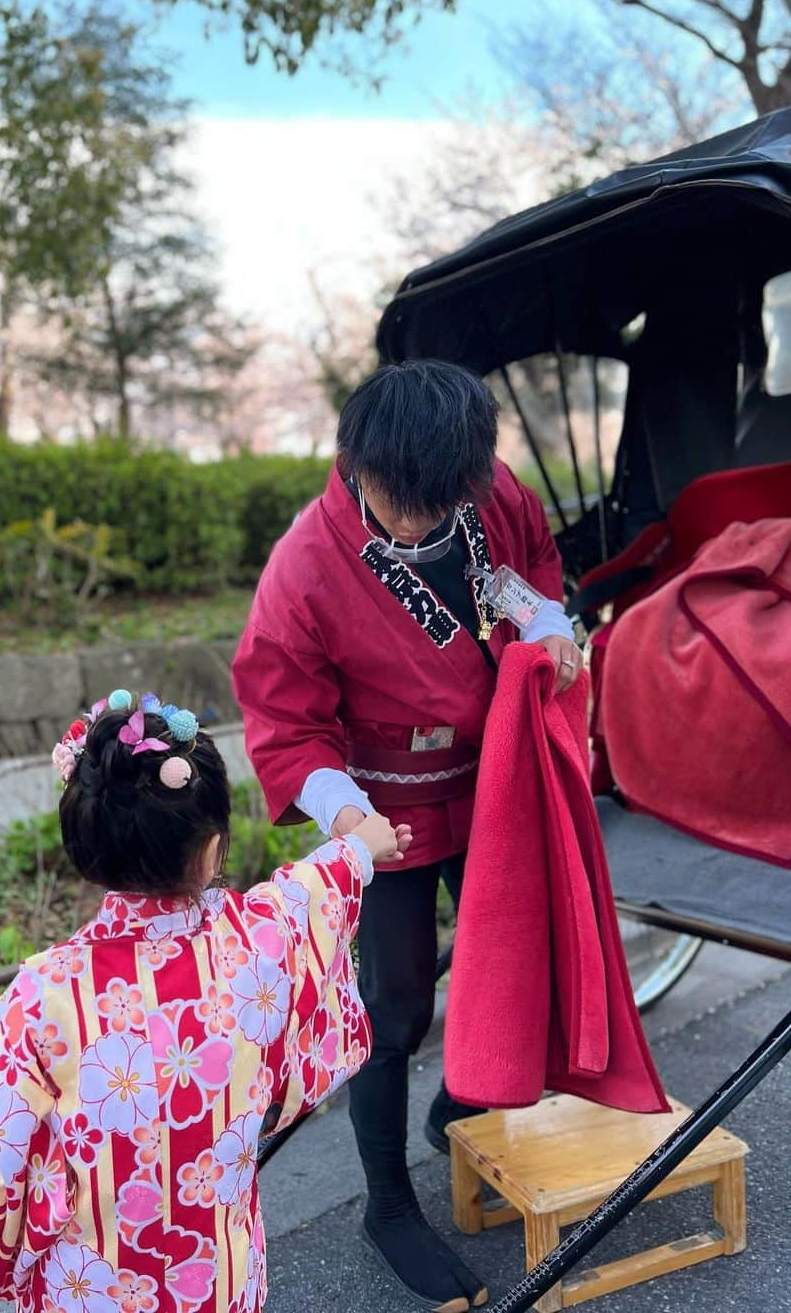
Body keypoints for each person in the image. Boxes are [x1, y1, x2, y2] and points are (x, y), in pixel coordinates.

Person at [232, 359, 583, 1309]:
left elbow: (529, 570)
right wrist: (350, 823)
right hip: (379, 803)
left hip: (492, 779)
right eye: (401, 501)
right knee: (391, 1010)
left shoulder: (484, 487)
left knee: (504, 958)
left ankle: (458, 1103)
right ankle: (386, 1204)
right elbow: (284, 720)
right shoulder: (304, 568)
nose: (423, 522)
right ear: (353, 461)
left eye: (442, 500)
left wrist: (550, 627)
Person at [0, 689, 411, 1313]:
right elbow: (314, 890)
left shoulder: (46, 997)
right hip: (220, 1279)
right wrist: (363, 846)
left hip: (93, 1288)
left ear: (85, 848)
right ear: (212, 847)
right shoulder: (256, 944)